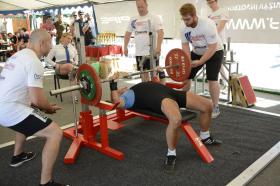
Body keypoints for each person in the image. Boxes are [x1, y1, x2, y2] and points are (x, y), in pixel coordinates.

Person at [110, 74, 222, 172]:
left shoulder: (137, 86)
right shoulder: (128, 97)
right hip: (163, 100)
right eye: (119, 89)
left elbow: (162, 84)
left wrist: (161, 73)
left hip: (172, 93)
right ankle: (171, 153)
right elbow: (116, 103)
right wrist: (113, 84)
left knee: (208, 105)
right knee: (176, 119)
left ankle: (205, 136)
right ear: (119, 93)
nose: (123, 87)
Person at [0, 29, 68, 186]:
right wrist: (48, 108)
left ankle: (18, 155)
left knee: (27, 112)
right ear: (42, 43)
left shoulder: (19, 55)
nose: (51, 47)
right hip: (8, 109)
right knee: (55, 133)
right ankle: (46, 182)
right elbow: (37, 99)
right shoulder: (34, 61)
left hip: (6, 105)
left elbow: (29, 97)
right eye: (49, 43)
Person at [180, 3, 224, 118]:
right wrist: (188, 60)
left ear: (194, 15)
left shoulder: (207, 24)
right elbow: (185, 46)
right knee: (186, 76)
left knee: (212, 79)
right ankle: (182, 101)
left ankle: (215, 106)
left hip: (215, 51)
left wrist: (200, 62)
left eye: (188, 19)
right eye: (183, 19)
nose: (186, 22)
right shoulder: (183, 27)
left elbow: (212, 47)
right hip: (197, 52)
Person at [123, 0, 164, 82]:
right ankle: (146, 93)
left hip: (152, 52)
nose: (140, 9)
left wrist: (158, 47)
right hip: (139, 52)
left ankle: (157, 93)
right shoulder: (133, 19)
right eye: (138, 7)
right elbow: (128, 33)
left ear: (146, 5)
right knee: (144, 76)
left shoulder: (154, 17)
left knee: (155, 76)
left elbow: (161, 33)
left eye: (142, 6)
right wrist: (125, 47)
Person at [207, 0, 230, 90]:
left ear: (216, 1)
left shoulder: (223, 11)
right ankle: (224, 83)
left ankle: (226, 83)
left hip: (220, 43)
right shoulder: (209, 15)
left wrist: (210, 35)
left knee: (219, 65)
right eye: (208, 2)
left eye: (212, 2)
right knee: (217, 66)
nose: (210, 4)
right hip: (210, 44)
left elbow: (221, 27)